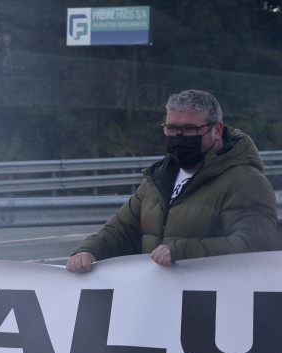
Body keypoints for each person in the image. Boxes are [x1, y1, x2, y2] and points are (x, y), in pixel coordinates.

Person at [67, 89, 277, 273]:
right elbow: (121, 231)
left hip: (212, 306)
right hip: (161, 303)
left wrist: (181, 252)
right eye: (171, 128)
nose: (178, 136)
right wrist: (89, 250)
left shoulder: (247, 182)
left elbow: (254, 246)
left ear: (217, 130)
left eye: (188, 129)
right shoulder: (158, 178)